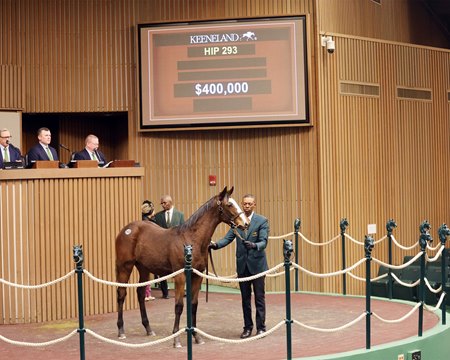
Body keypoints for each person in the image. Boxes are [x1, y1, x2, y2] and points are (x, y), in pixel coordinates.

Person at [209, 194, 269, 338]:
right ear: (242, 205)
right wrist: (215, 245)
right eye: (245, 204)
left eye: (250, 204)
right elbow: (227, 239)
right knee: (245, 300)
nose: (247, 206)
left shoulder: (262, 221)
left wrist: (254, 245)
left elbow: (264, 241)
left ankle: (261, 327)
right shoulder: (236, 222)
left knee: (259, 299)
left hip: (258, 267)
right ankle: (247, 327)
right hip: (242, 267)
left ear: (254, 205)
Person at [152, 194, 185, 299]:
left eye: (164, 203)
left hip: (176, 247)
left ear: (170, 202)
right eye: (161, 203)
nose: (162, 205)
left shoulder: (180, 215)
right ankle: (164, 292)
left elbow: (183, 231)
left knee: (180, 268)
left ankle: (181, 290)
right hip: (162, 246)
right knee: (161, 268)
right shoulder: (157, 216)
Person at [141, 200, 156, 301]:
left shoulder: (143, 221)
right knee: (146, 274)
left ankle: (147, 294)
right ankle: (147, 294)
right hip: (149, 250)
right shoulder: (149, 223)